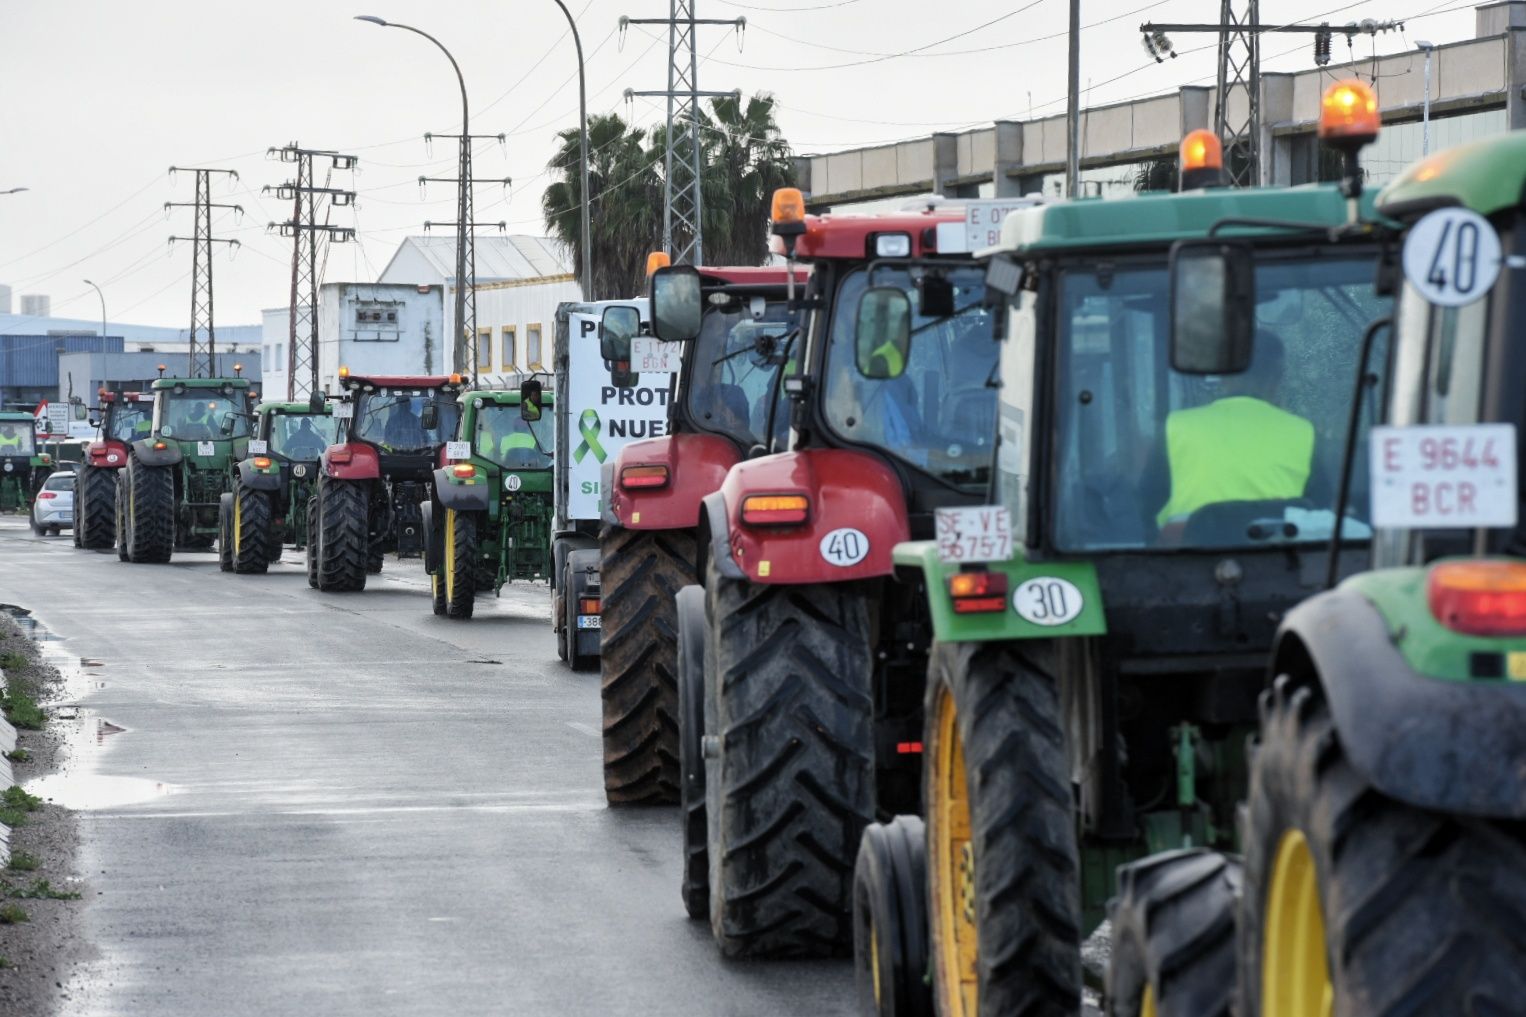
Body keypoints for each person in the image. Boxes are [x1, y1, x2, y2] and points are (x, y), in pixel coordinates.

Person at [1150, 331, 1322, 533]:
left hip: (1183, 560)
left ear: (1223, 376)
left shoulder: (1175, 427)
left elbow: (1146, 508)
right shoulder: (1304, 433)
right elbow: (1324, 516)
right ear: (1277, 378)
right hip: (1283, 559)